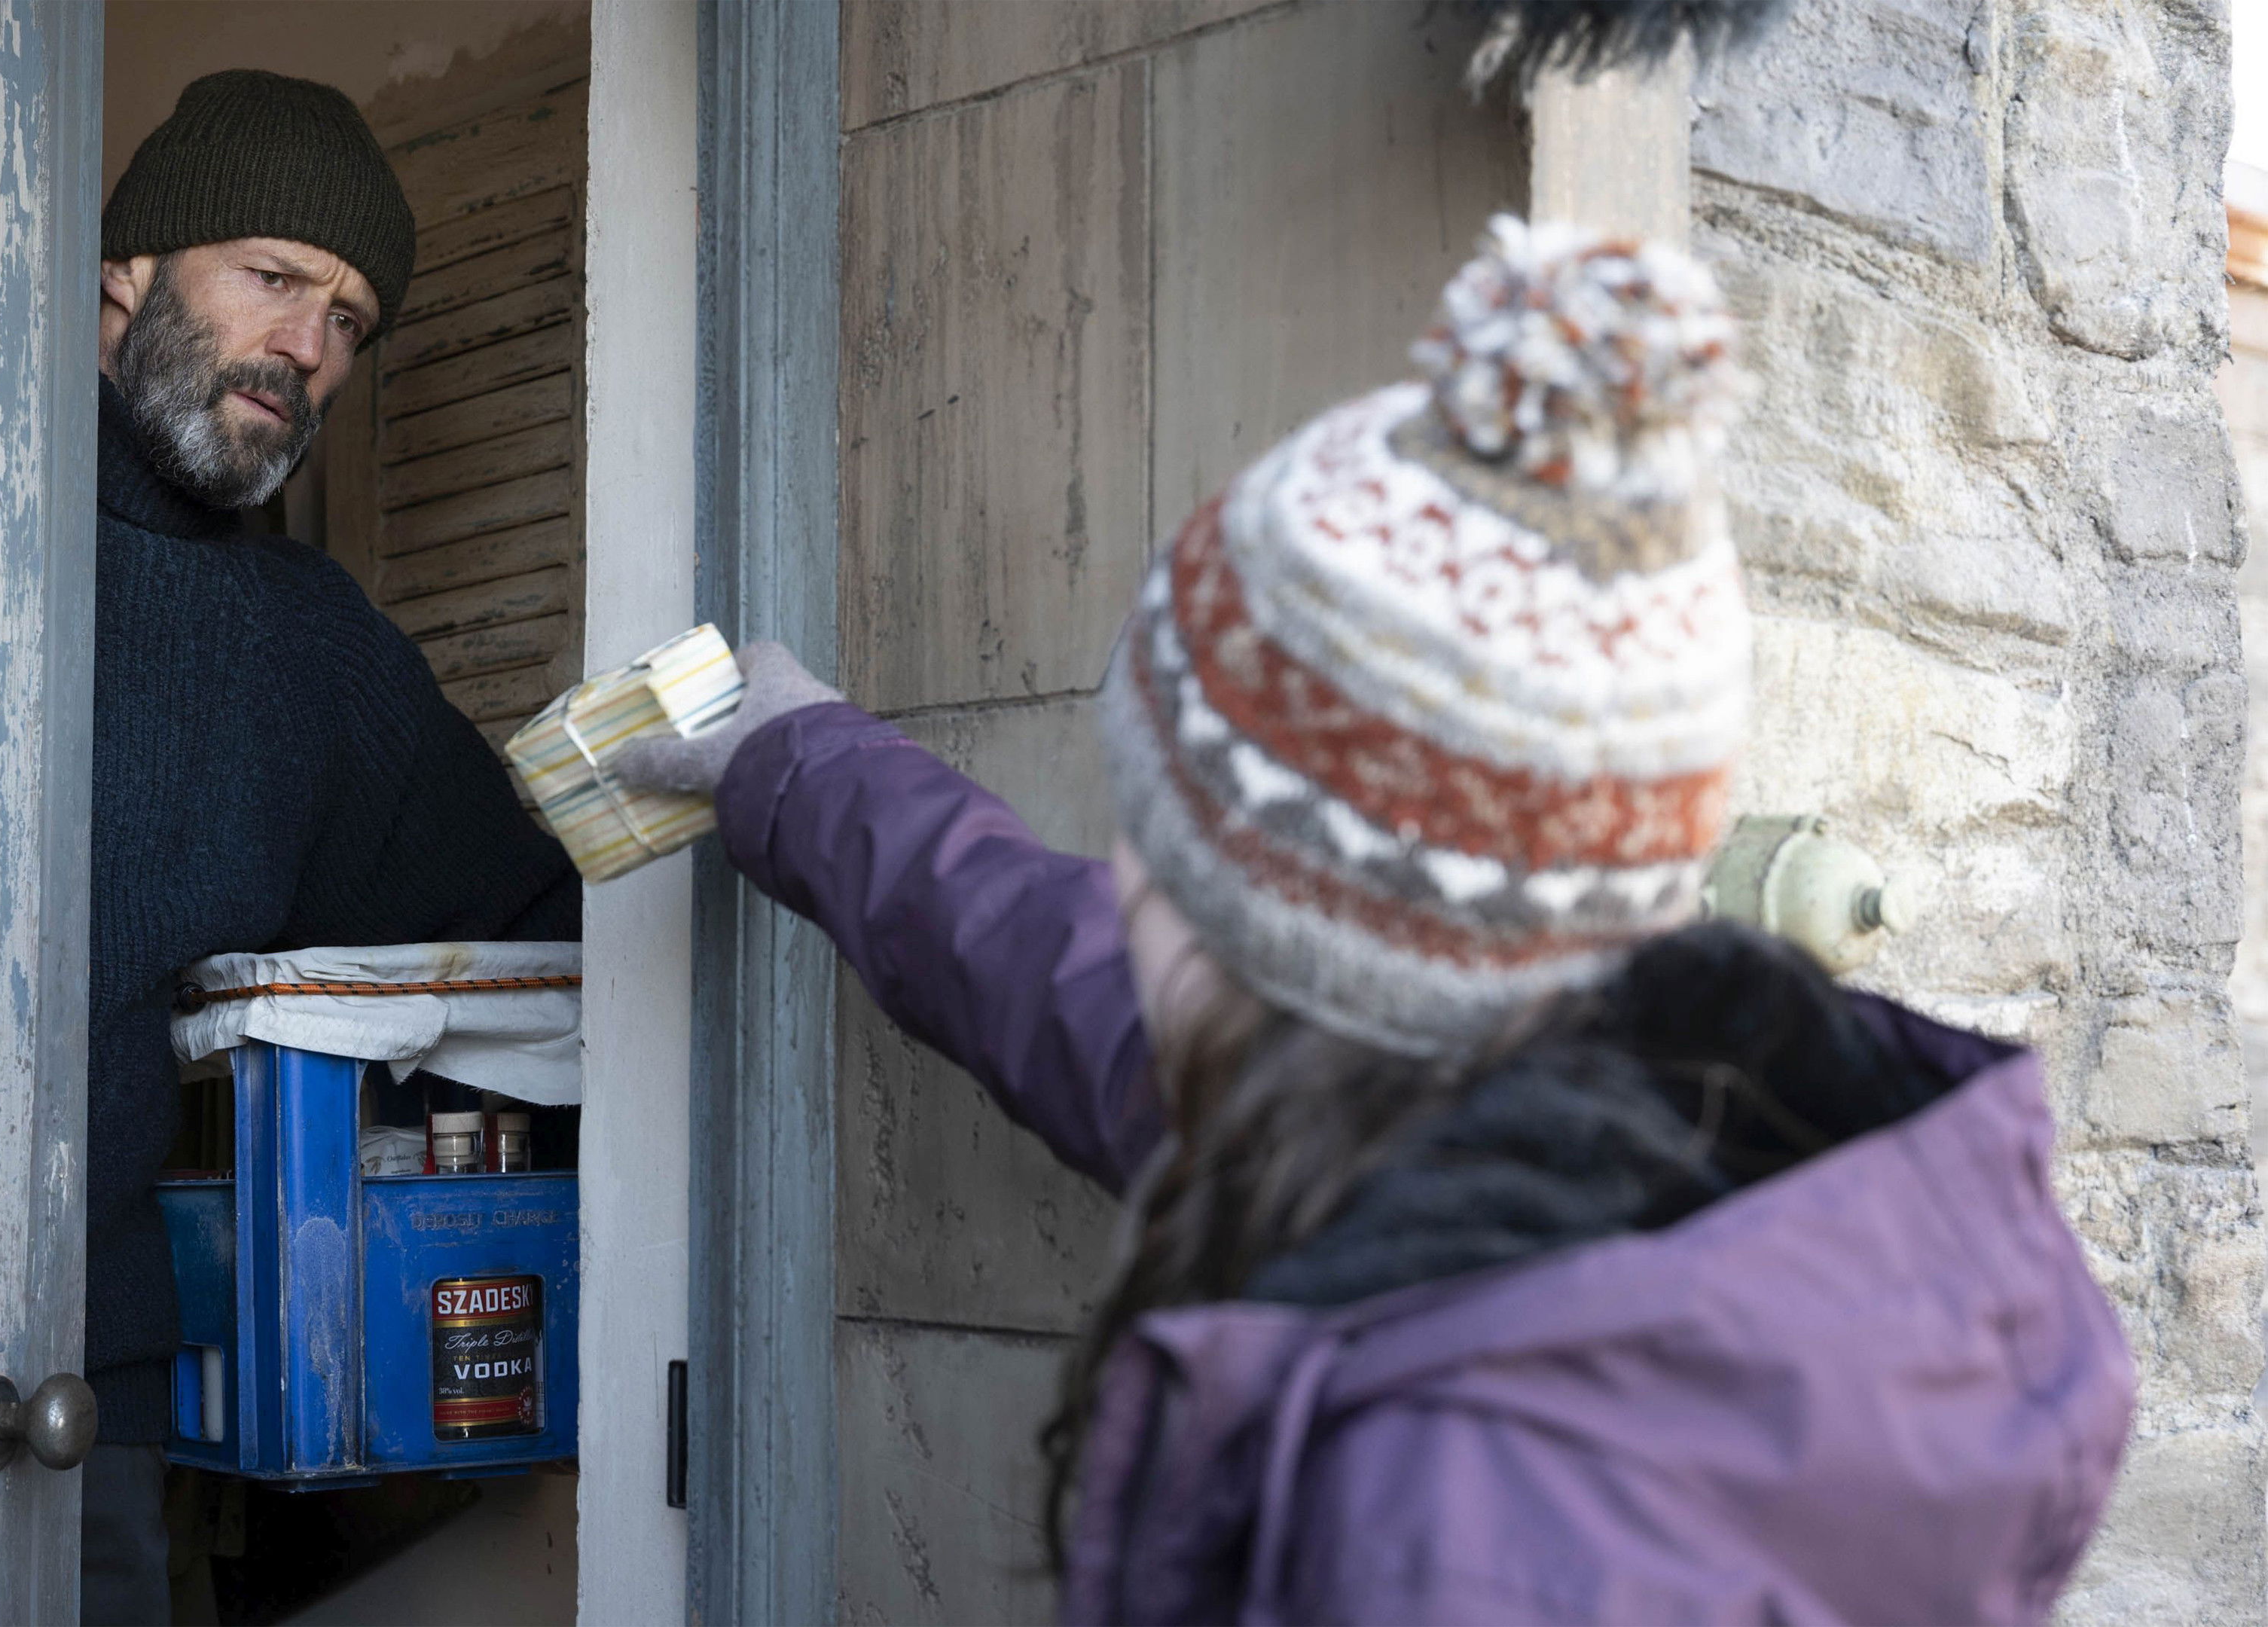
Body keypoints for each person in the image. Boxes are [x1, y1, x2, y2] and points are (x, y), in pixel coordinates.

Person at [615, 220, 2135, 1624]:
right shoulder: (1767, 1204)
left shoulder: (1435, 1537)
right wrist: (795, 766)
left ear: (1284, 926)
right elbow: (1051, 970)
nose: (1124, 885)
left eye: (1165, 847)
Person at [82, 69, 579, 1623]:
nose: (309, 349)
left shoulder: (310, 652)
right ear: (129, 269)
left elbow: (541, 926)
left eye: (350, 319)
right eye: (275, 277)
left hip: (80, 1402)